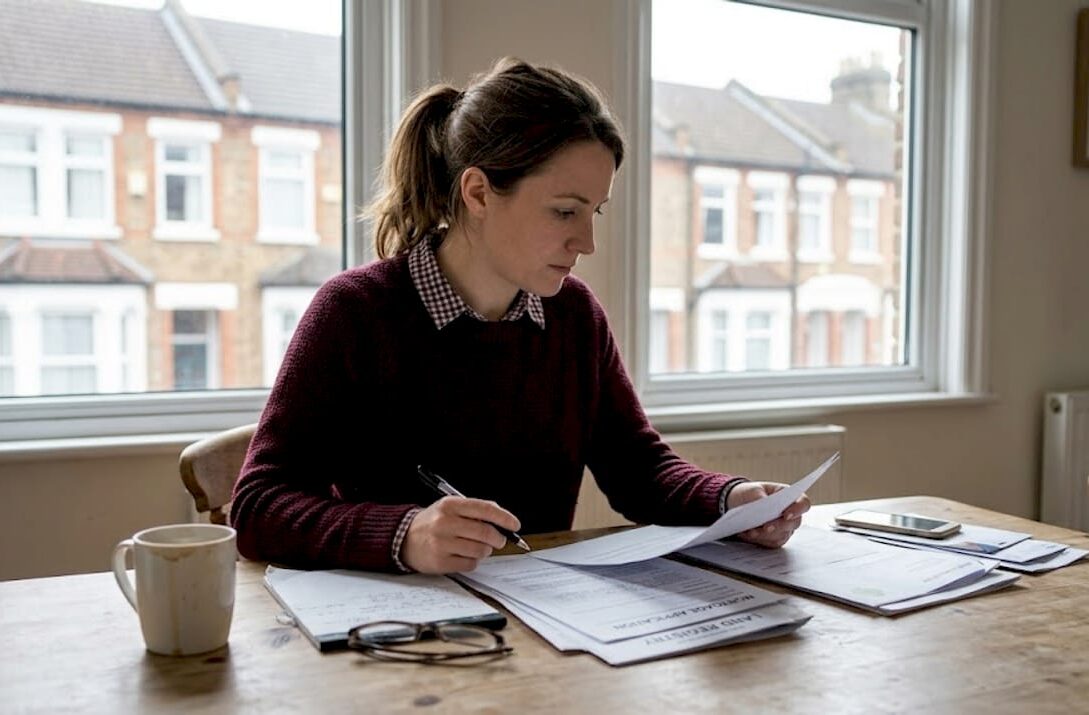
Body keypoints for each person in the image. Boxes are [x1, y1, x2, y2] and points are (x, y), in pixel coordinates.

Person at [231, 57, 810, 575]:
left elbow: (636, 467)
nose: (586, 242)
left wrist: (731, 500)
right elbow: (258, 505)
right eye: (565, 211)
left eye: (595, 212)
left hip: (544, 625)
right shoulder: (355, 313)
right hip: (399, 640)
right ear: (479, 193)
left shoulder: (575, 316)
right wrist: (403, 535)